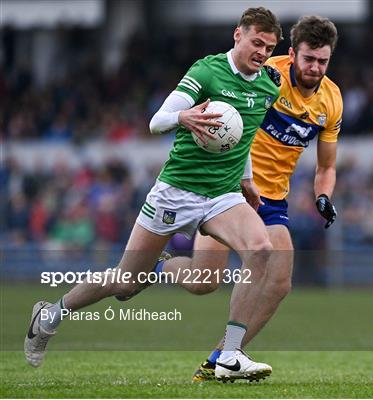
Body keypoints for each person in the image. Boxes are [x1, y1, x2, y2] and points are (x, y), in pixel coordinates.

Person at [24, 7, 283, 382]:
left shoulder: (267, 85)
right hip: (175, 193)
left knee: (258, 252)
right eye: (256, 42)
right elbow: (156, 120)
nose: (261, 52)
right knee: (124, 282)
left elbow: (240, 140)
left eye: (269, 46)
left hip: (222, 195)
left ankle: (229, 354)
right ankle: (51, 314)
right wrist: (185, 117)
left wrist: (246, 180)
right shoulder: (206, 71)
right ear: (237, 35)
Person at [173, 15, 342, 382]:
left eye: (323, 61)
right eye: (309, 59)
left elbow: (325, 166)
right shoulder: (268, 75)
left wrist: (323, 196)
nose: (315, 68)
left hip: (273, 201)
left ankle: (223, 355)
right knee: (204, 280)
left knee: (280, 282)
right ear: (293, 53)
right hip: (229, 188)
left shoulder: (332, 101)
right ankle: (156, 266)